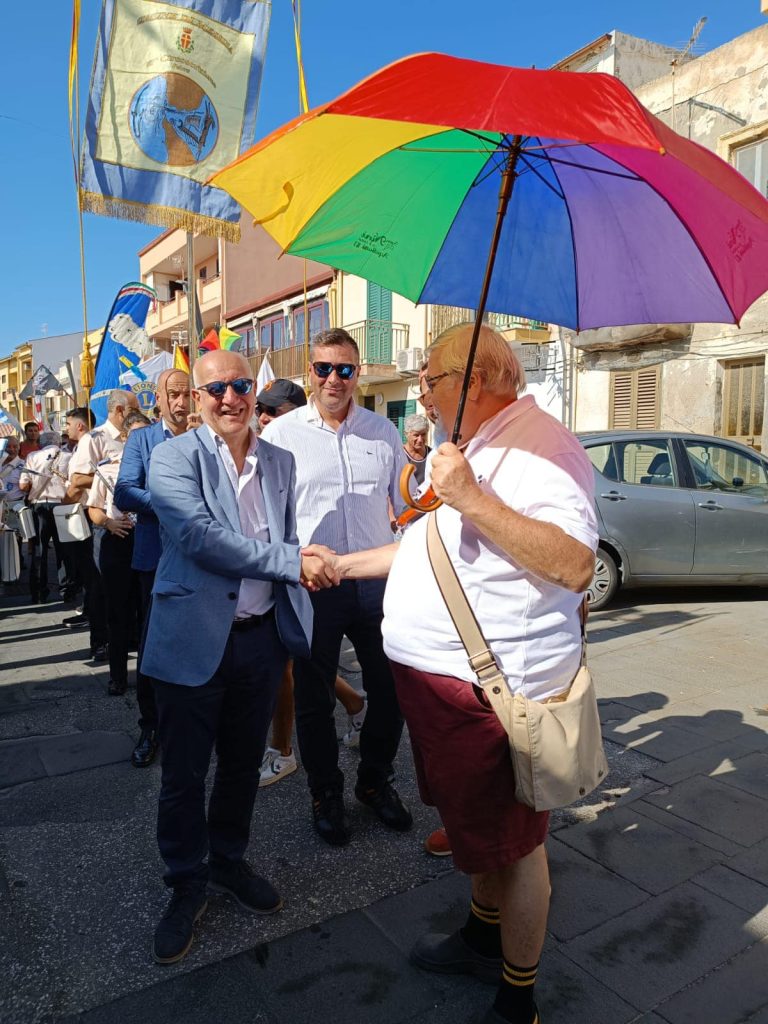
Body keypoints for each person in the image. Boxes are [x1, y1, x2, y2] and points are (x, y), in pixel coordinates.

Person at [316, 324, 598, 1024]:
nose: (422, 394)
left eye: (430, 380)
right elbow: (426, 547)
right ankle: (481, 936)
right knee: (480, 836)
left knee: (517, 847)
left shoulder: (543, 447)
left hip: (493, 695)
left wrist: (470, 495)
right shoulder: (477, 443)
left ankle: (517, 998)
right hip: (448, 688)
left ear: (474, 379)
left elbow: (574, 565)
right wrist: (341, 565)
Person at [140, 349, 335, 966]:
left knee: (242, 764)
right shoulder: (173, 457)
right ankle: (185, 882)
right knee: (183, 775)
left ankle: (227, 860)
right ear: (196, 398)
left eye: (241, 385)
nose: (230, 398)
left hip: (259, 639)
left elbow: (286, 533)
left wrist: (298, 571)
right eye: (216, 388)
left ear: (255, 390)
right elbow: (198, 538)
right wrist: (292, 562)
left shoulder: (280, 459)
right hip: (193, 637)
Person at [262, 328, 411, 846]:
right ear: (310, 373)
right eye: (324, 368)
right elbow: (268, 514)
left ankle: (374, 781)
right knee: (314, 698)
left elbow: (406, 505)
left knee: (391, 690)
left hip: (374, 581)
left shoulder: (382, 432)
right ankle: (325, 793)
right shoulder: (282, 436)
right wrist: (289, 563)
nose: (334, 379)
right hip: (314, 586)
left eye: (344, 369)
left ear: (357, 374)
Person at [254, 379, 367, 786]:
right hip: (275, 567)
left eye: (273, 410)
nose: (263, 417)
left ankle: (283, 750)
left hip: (311, 574)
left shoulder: (307, 443)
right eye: (261, 410)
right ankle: (354, 705)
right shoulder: (265, 445)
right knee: (297, 662)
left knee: (291, 665)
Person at [115, 369, 192, 768]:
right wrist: (172, 503)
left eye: (186, 394)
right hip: (157, 559)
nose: (180, 402)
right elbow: (125, 491)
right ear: (158, 399)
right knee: (154, 645)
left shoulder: (205, 438)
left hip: (202, 558)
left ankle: (195, 722)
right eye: (172, 394)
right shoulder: (142, 440)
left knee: (200, 641)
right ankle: (151, 726)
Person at [63, 393, 139, 661]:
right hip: (101, 520)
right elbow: (76, 479)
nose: (138, 412)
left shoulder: (134, 435)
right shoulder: (95, 439)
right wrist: (113, 474)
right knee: (99, 585)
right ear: (119, 409)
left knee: (130, 585)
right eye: (134, 408)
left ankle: (128, 638)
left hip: (130, 522)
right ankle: (100, 642)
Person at [85, 411, 150, 696]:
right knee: (118, 612)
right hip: (118, 542)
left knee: (148, 614)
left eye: (146, 433)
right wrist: (109, 523)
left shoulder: (161, 465)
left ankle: (149, 678)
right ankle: (117, 676)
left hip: (149, 541)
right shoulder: (108, 467)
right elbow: (94, 508)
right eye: (135, 434)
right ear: (124, 437)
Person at [19, 431, 71, 603]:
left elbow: (23, 485)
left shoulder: (32, 457)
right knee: (64, 549)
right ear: (59, 442)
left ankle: (39, 592)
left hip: (39, 506)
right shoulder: (68, 456)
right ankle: (67, 590)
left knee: (39, 550)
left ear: (41, 443)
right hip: (62, 505)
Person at [402, 413, 431, 488]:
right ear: (406, 434)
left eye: (423, 434)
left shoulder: (432, 454)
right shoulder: (399, 455)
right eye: (416, 435)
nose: (420, 440)